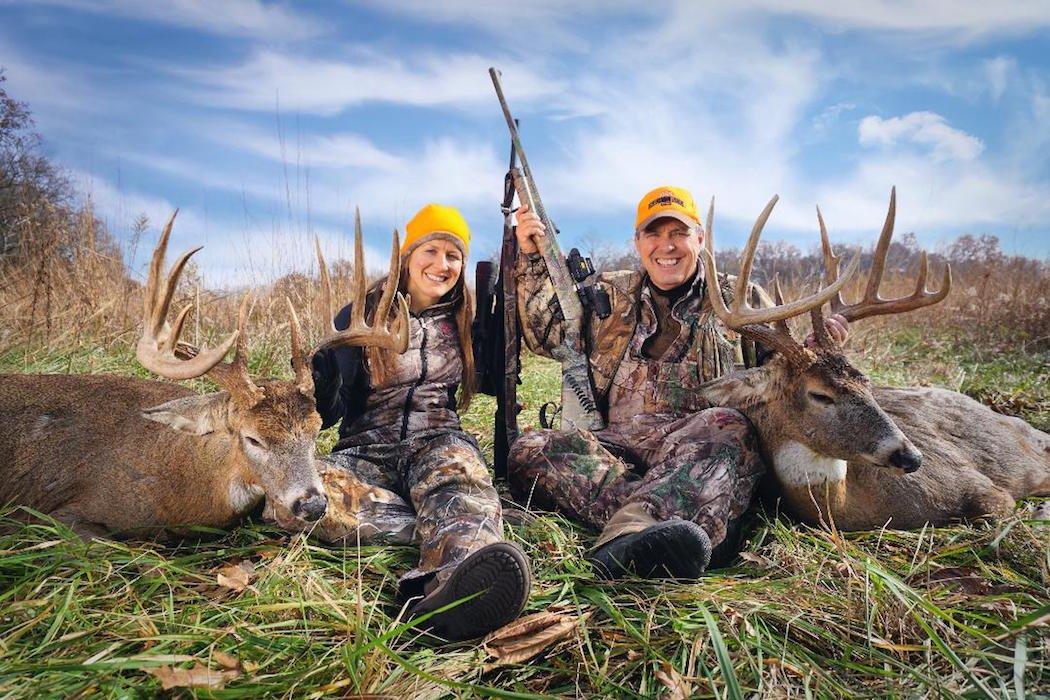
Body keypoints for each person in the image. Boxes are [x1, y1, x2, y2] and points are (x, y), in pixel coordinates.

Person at [509, 186, 847, 579]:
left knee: (728, 425)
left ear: (700, 240)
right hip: (617, 449)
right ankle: (681, 526)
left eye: (679, 234)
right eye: (654, 234)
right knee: (529, 449)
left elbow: (781, 376)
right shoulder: (607, 294)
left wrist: (814, 352)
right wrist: (532, 258)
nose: (666, 247)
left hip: (701, 445)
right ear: (638, 243)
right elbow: (544, 336)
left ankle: (633, 535)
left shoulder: (742, 298)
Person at [309, 204, 530, 641]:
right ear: (408, 255)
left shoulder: (469, 321)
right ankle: (442, 522)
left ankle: (448, 590)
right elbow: (328, 413)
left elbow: (492, 379)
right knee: (302, 497)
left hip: (437, 439)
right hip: (364, 449)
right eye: (431, 250)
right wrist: (322, 378)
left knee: (459, 482)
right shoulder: (361, 315)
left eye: (454, 255)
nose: (441, 264)